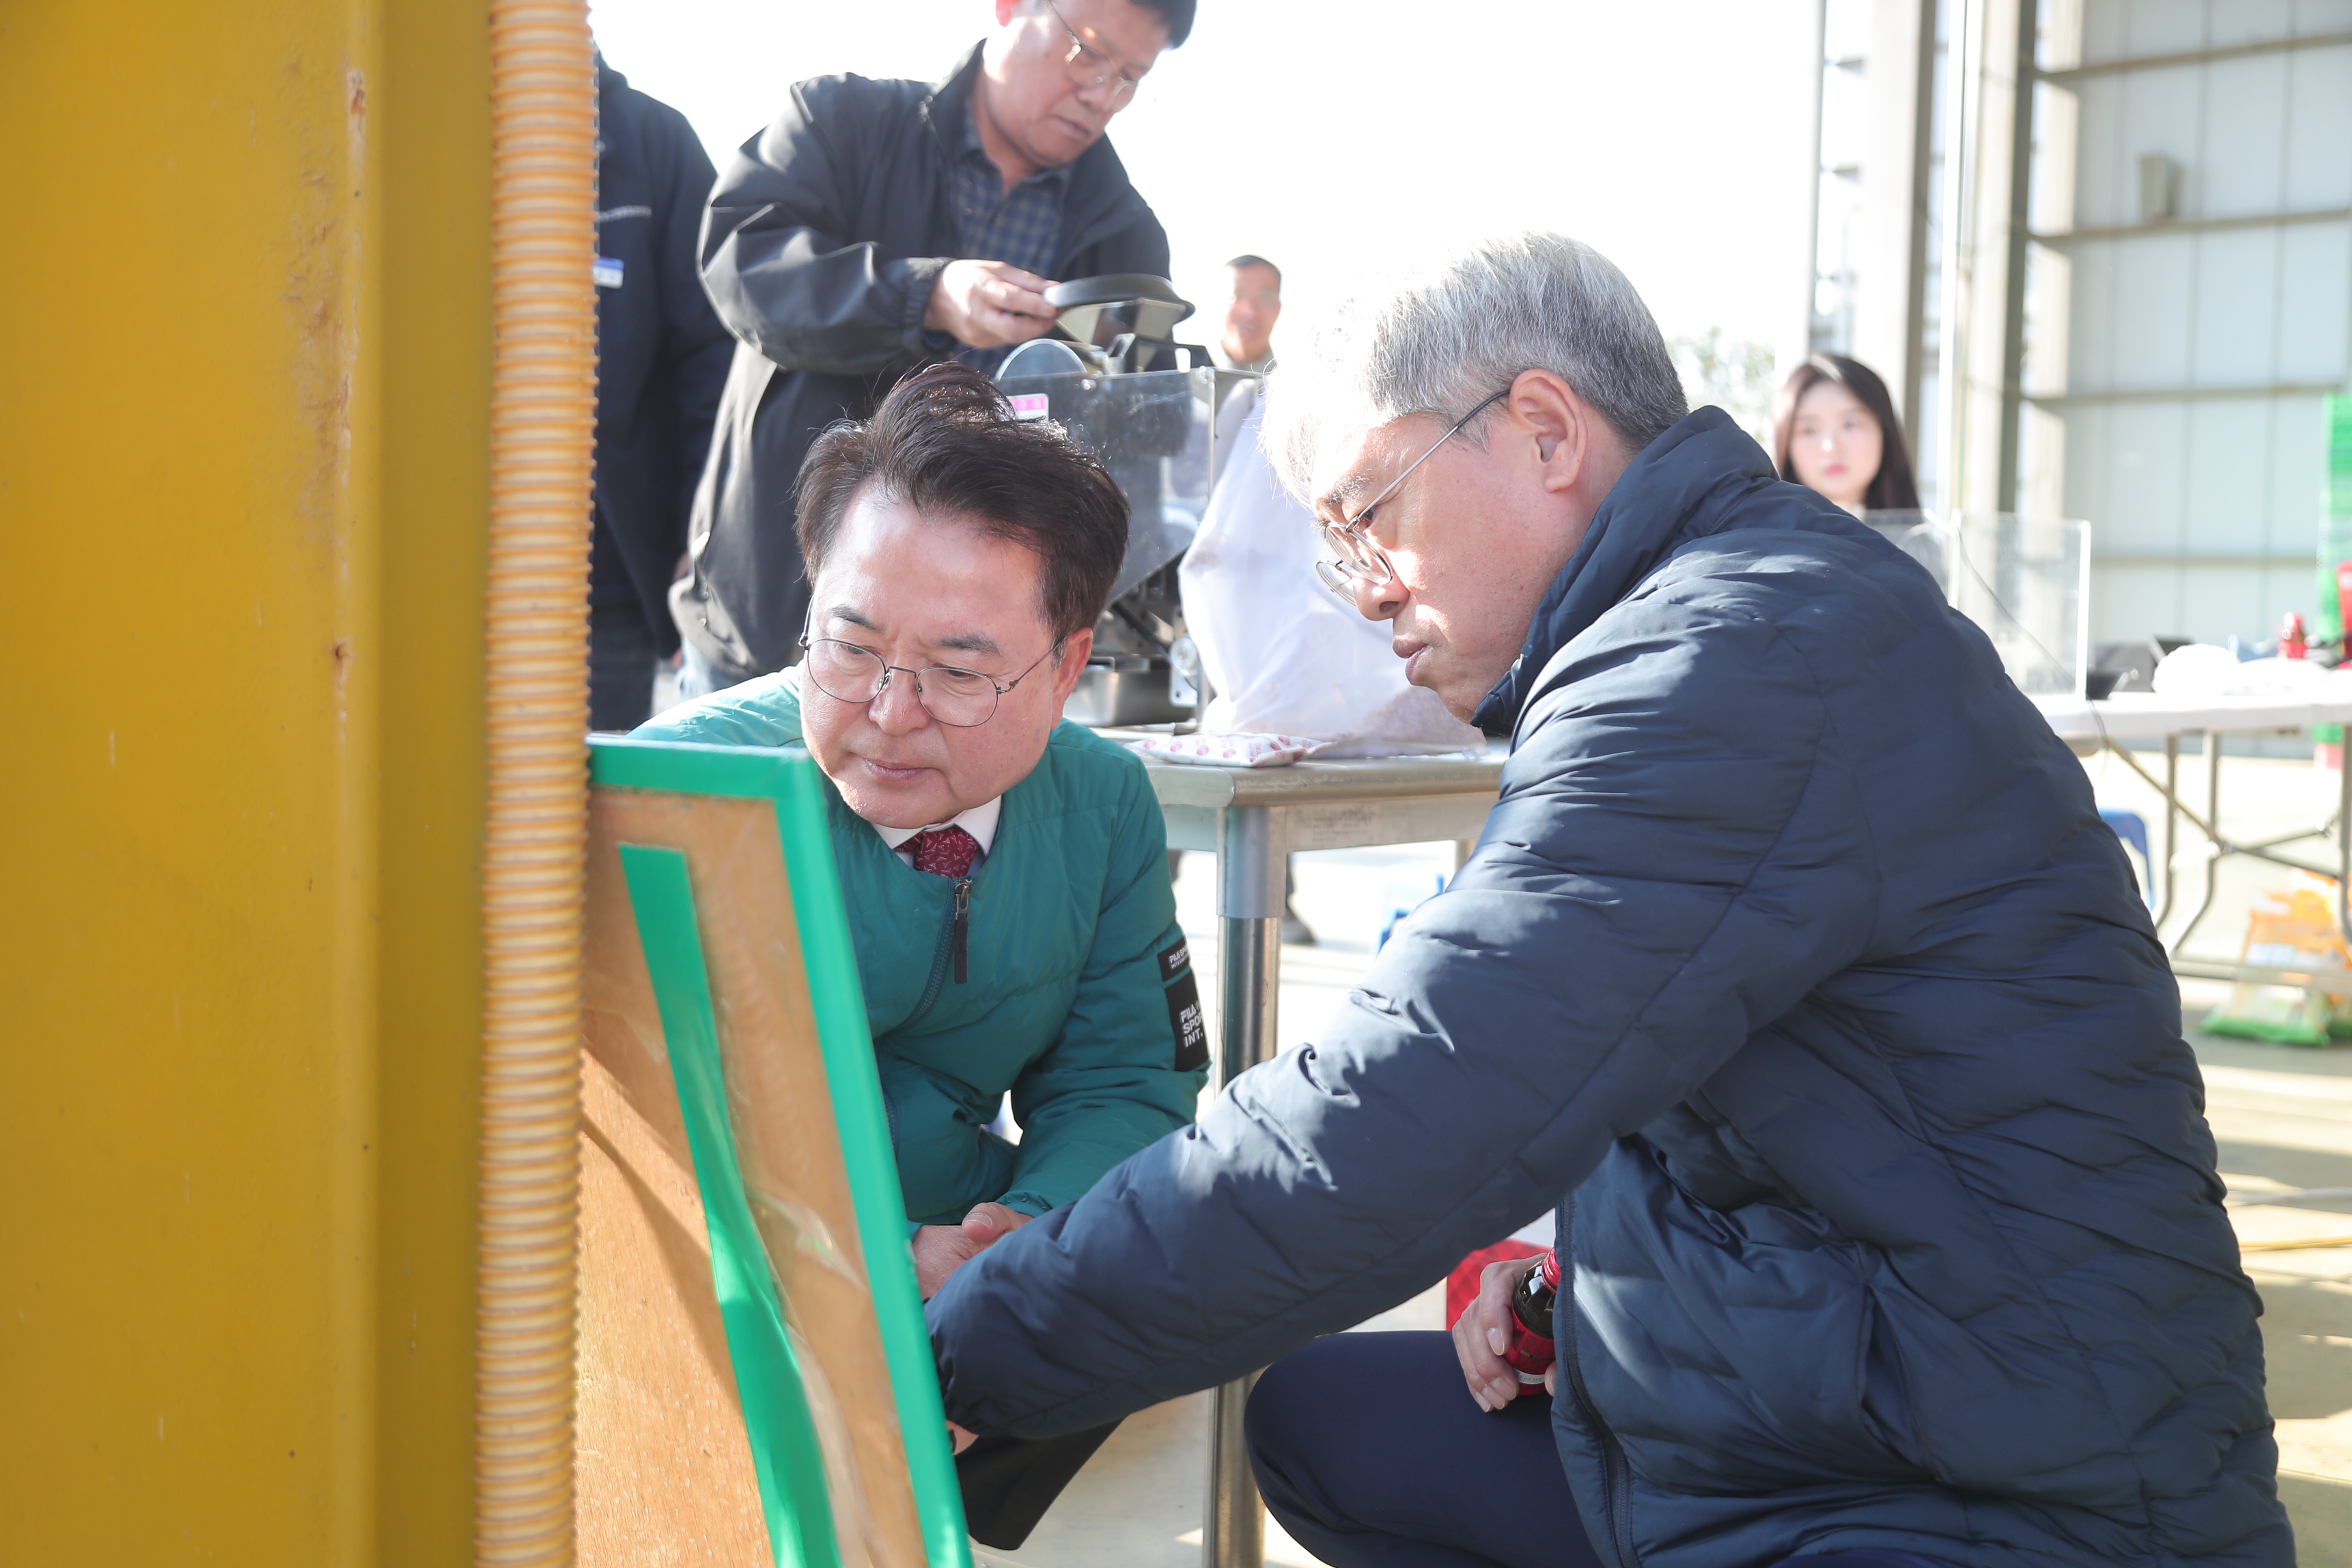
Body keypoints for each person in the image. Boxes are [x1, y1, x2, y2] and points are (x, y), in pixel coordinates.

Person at [925, 234, 2288, 1568]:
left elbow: (1403, 1106)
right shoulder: (1744, 606)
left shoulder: (1728, 662)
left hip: (1999, 1490)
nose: (1364, 595)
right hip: (1909, 1367)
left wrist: (968, 1345)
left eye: (1372, 519)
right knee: (1325, 1424)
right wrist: (1566, 1280)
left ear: (1543, 430)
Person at [635, 363, 1207, 1548]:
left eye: (957, 670)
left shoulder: (1101, 805)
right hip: (732, 1275)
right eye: (847, 648)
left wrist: (1024, 1236)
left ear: (1067, 666)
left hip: (967, 1247)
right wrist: (875, 1265)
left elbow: (1126, 1081)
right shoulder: (683, 800)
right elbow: (642, 1130)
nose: (891, 712)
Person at [669, 0, 1194, 701]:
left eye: (1131, 76)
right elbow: (740, 261)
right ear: (1011, 9)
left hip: (963, 672)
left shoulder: (1126, 240)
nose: (1101, 96)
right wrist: (925, 296)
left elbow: (1142, 455)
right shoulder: (843, 122)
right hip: (764, 622)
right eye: (1087, 54)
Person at [586, 53, 734, 731]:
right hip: (428, 570)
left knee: (572, 809)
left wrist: (695, 528)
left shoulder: (653, 143)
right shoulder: (412, 130)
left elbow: (714, 353)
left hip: (607, 584)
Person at [1773, 352, 1921, 516]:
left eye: (1851, 425)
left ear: (1885, 434)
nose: (1830, 447)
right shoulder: (1760, 538)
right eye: (1809, 430)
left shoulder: (1918, 540)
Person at [1215, 253, 1282, 373]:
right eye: (1238, 297)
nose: (1251, 313)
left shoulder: (1297, 386)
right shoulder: (1182, 381)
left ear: (1278, 308)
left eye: (1265, 298)